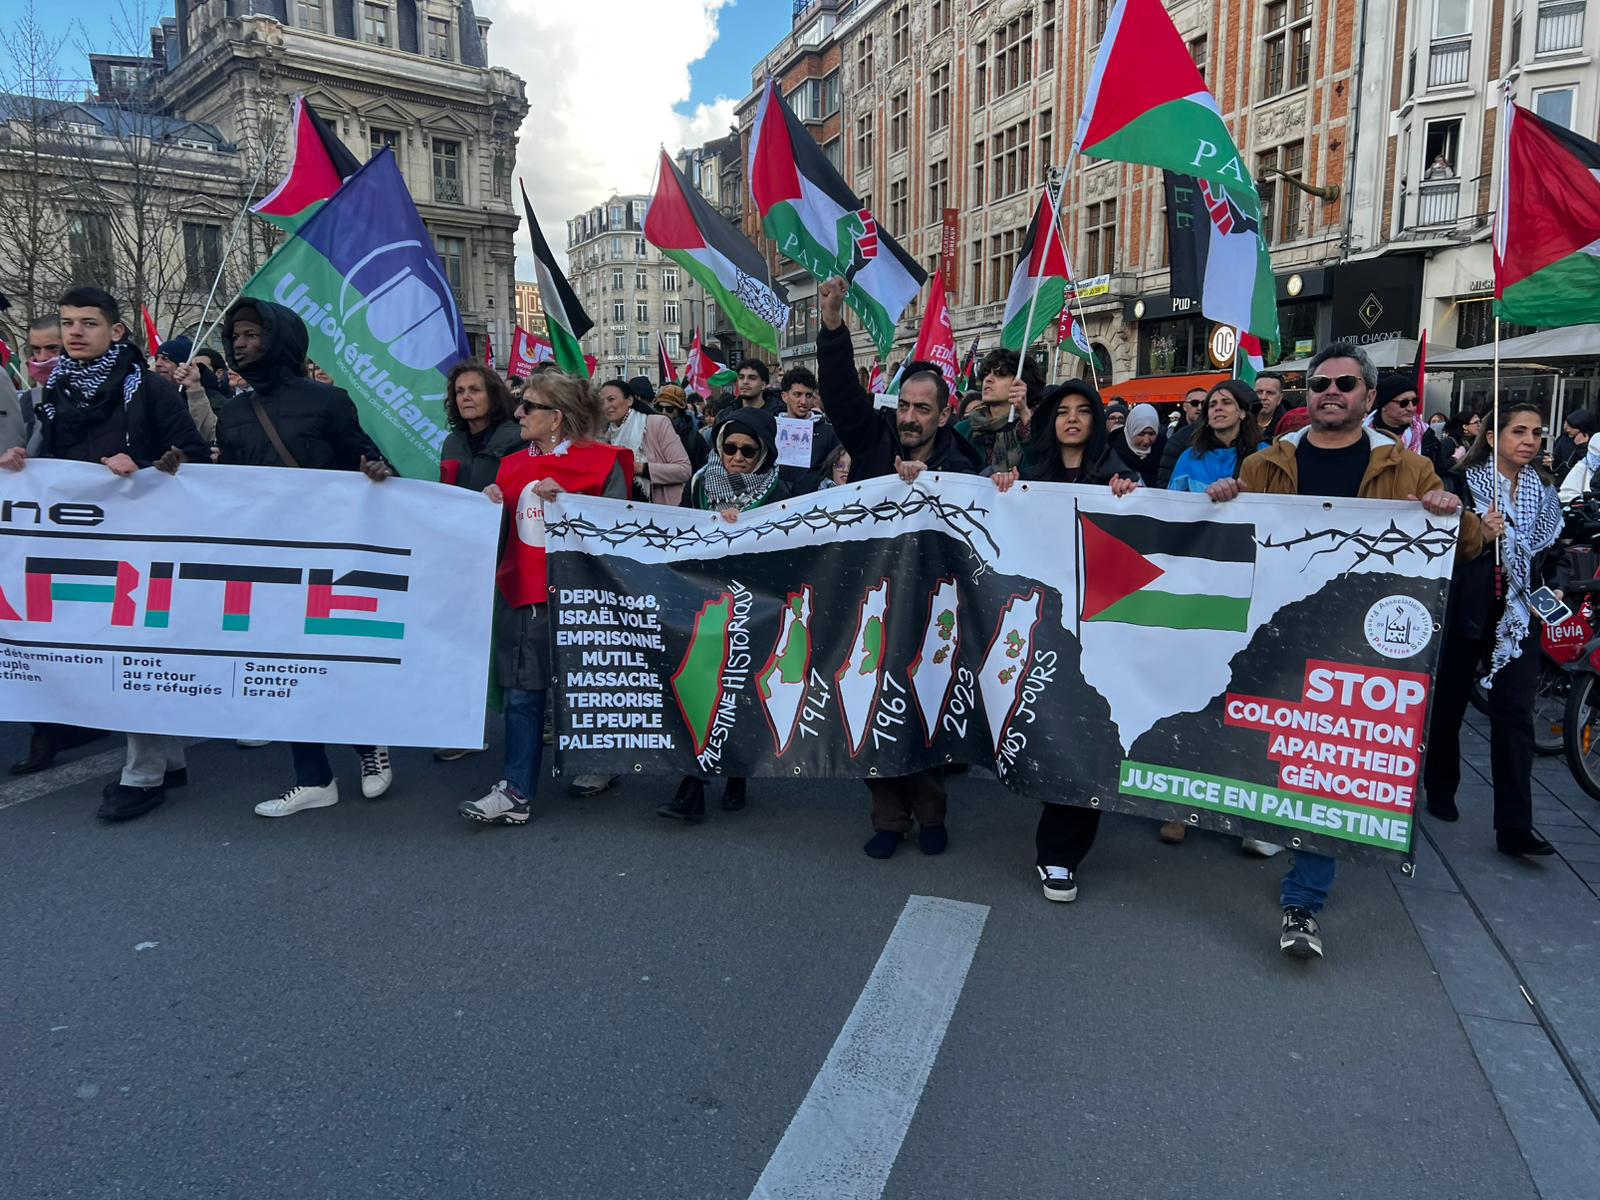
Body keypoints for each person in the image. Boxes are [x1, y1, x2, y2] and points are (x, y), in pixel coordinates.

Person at [1204, 341, 1481, 959]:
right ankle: (1270, 821)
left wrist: (1449, 510)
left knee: (1328, 765)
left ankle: (1303, 900)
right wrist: (1224, 496)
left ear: (1369, 397)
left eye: (1345, 384)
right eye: (1320, 383)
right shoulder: (1265, 463)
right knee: (1267, 743)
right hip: (1276, 634)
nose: (1331, 392)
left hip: (1359, 647)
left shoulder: (1409, 468)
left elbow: (1464, 546)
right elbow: (1232, 536)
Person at [0, 286, 206, 820]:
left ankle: (142, 774)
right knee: (109, 650)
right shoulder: (55, 390)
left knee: (129, 652)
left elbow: (195, 455)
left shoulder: (150, 388)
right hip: (83, 543)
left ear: (115, 332)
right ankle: (169, 758)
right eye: (68, 322)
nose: (74, 332)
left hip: (145, 542)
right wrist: (24, 462)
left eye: (88, 323)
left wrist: (144, 464)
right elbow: (55, 459)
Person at [214, 298, 398, 817]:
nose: (242, 344)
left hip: (331, 552)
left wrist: (376, 470)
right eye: (237, 336)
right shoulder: (233, 413)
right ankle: (312, 777)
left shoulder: (328, 402)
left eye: (252, 334)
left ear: (280, 339)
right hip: (269, 560)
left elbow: (366, 459)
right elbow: (225, 487)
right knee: (286, 666)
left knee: (340, 655)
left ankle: (369, 744)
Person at [817, 274, 980, 858]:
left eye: (922, 409)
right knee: (868, 702)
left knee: (921, 707)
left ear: (943, 415)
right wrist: (832, 323)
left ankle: (930, 812)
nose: (910, 417)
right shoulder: (872, 441)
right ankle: (888, 818)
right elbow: (840, 395)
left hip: (933, 609)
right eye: (904, 406)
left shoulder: (963, 464)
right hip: (867, 599)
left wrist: (934, 484)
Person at [463, 372, 633, 824]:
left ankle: (602, 760)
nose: (518, 413)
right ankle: (516, 790)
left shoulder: (605, 463)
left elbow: (620, 534)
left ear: (556, 418)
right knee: (522, 695)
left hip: (587, 599)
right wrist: (487, 505)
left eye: (529, 406)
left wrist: (574, 505)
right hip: (525, 595)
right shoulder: (509, 466)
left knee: (591, 686)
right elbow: (497, 538)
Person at [992, 381, 1139, 903]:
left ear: (1097, 421)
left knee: (1085, 732)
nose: (1072, 419)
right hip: (1042, 625)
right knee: (1045, 726)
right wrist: (1004, 489)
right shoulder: (1031, 478)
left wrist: (1132, 496)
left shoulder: (1121, 477)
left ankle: (1060, 852)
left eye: (1083, 411)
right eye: (1062, 412)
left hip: (1099, 629)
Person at [1426, 403, 1560, 857]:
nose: (1530, 441)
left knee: (1516, 715)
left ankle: (1515, 826)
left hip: (1518, 616)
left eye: (1537, 433)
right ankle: (1440, 786)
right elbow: (1438, 544)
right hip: (1468, 608)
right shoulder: (1460, 482)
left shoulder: (1544, 489)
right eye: (1519, 431)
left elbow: (1552, 552)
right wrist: (1478, 533)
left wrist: (1555, 586)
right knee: (1449, 704)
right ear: (1492, 436)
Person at [658, 407, 792, 822]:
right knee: (697, 687)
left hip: (754, 607)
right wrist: (710, 524)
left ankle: (737, 773)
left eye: (748, 451)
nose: (736, 457)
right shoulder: (701, 484)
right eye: (729, 448)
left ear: (764, 453)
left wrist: (746, 527)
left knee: (739, 691)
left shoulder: (779, 492)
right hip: (705, 603)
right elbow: (682, 532)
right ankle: (691, 785)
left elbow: (787, 550)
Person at [597, 378, 691, 506]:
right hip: (622, 508)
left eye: (611, 399)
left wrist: (641, 468)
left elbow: (684, 470)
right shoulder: (606, 436)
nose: (606, 405)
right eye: (602, 401)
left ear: (629, 400)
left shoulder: (656, 423)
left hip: (658, 509)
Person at [1167, 380, 1262, 494]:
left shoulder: (1263, 455)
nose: (1218, 408)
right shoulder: (1189, 457)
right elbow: (1172, 501)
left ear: (1242, 413)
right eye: (1212, 405)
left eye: (1226, 403)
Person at [957, 349, 1040, 472]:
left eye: (999, 375)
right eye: (986, 374)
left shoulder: (1037, 429)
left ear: (1020, 383)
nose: (988, 379)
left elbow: (1041, 467)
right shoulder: (963, 430)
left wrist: (1025, 415)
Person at [774, 366, 839, 495]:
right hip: (775, 501)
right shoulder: (771, 429)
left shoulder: (828, 433)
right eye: (797, 394)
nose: (803, 401)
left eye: (808, 395)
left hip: (814, 502)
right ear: (785, 396)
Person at [1367, 372, 1446, 472]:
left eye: (1415, 401)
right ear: (1383, 405)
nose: (1411, 408)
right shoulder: (1363, 435)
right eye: (1404, 403)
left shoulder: (1426, 435)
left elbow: (1440, 473)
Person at [151, 335, 222, 444]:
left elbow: (210, 434)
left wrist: (194, 390)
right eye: (157, 359)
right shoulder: (155, 395)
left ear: (183, 364)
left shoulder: (212, 398)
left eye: (165, 359)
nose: (158, 364)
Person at [1157, 386, 1210, 485]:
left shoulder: (1215, 433)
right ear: (1185, 406)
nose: (1200, 407)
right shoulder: (1176, 437)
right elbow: (1166, 477)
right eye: (1194, 403)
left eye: (1204, 403)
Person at [654, 383, 709, 473]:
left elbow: (702, 473)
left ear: (679, 410)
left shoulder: (694, 439)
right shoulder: (652, 434)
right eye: (660, 408)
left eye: (669, 409)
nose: (663, 413)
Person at [1107, 402, 1164, 486]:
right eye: (1141, 434)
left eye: (1151, 434)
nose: (1146, 440)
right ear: (1131, 430)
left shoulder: (1164, 450)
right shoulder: (1111, 452)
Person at [1551, 409, 1596, 479]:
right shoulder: (1564, 439)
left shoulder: (1594, 444)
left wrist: (1582, 446)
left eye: (1572, 427)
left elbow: (1590, 467)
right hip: (1562, 481)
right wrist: (1548, 464)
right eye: (1568, 426)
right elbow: (1555, 465)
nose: (1568, 430)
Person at [1255, 372, 1286, 439]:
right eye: (1259, 392)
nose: (1263, 397)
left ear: (1280, 398)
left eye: (1270, 393)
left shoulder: (1287, 428)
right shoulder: (1239, 421)